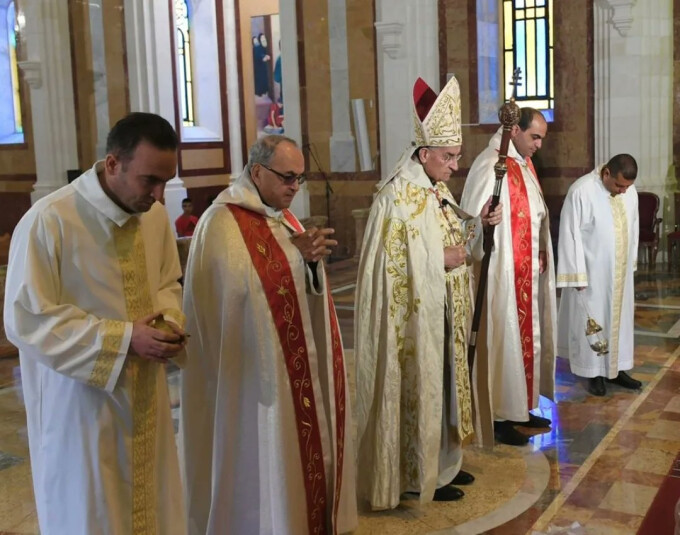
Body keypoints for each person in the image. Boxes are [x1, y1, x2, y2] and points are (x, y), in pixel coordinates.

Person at [4, 112, 188, 534]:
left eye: (165, 181)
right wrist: (125, 338)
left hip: (147, 395)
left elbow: (167, 283)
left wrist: (168, 322)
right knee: (91, 511)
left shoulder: (154, 217)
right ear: (113, 164)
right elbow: (26, 318)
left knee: (153, 506)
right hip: (82, 407)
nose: (159, 195)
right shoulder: (50, 220)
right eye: (149, 180)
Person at [180, 135, 357, 534]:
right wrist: (297, 258)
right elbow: (238, 294)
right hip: (250, 379)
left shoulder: (284, 218)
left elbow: (295, 283)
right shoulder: (221, 222)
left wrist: (309, 264)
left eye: (300, 178)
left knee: (293, 447)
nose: (295, 187)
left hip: (286, 369)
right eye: (287, 177)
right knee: (260, 453)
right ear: (257, 172)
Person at [354, 75, 502, 510]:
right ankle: (416, 474)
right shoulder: (395, 198)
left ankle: (445, 464)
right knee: (422, 389)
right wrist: (440, 259)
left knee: (447, 388)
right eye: (449, 156)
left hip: (447, 311)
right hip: (415, 322)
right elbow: (388, 268)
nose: (456, 165)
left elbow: (457, 240)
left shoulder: (436, 189)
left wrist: (479, 223)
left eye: (457, 155)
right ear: (424, 154)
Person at [460, 107, 557, 447]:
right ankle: (500, 414)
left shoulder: (524, 164)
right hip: (501, 275)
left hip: (525, 271)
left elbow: (536, 214)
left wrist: (540, 249)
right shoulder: (491, 165)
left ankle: (520, 407)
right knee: (503, 340)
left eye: (541, 138)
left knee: (526, 340)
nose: (538, 145)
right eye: (535, 137)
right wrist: (481, 225)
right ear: (514, 131)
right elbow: (471, 221)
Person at [556, 154, 641, 396]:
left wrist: (631, 262)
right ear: (606, 173)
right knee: (594, 321)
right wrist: (575, 274)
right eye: (619, 185)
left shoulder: (629, 192)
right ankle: (593, 372)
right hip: (592, 275)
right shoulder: (581, 191)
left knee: (620, 321)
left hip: (620, 273)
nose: (623, 191)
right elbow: (570, 234)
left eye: (627, 187)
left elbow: (633, 227)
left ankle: (617, 367)